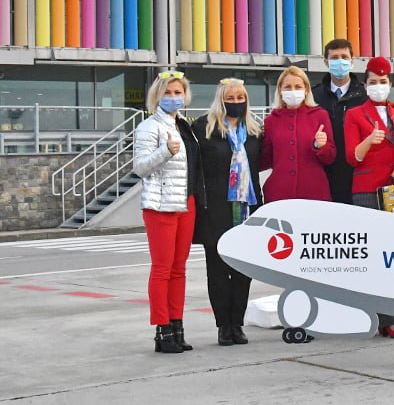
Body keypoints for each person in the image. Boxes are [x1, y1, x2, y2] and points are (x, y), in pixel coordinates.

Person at [133, 70, 204, 354]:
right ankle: (162, 330)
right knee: (162, 269)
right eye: (167, 93)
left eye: (178, 92)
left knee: (179, 269)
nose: (173, 97)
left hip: (186, 203)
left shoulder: (184, 125)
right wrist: (165, 151)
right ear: (157, 96)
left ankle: (177, 325)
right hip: (160, 205)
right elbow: (139, 168)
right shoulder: (149, 127)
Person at [344, 56, 394, 339]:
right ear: (365, 85)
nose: (379, 86)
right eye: (373, 82)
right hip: (366, 191)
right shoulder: (354, 115)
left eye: (383, 82)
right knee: (369, 258)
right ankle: (369, 316)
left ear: (390, 84)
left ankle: (391, 318)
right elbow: (351, 157)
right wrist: (366, 141)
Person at [192, 77, 264, 346]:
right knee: (218, 270)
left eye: (240, 98)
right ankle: (224, 325)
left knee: (243, 270)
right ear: (220, 99)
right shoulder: (204, 128)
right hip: (217, 209)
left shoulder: (255, 130)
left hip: (247, 209)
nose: (236, 102)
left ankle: (238, 323)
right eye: (230, 98)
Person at [261, 66, 337, 203]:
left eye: (298, 87)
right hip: (279, 194)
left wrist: (322, 146)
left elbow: (330, 157)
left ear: (306, 90)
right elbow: (265, 159)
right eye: (288, 87)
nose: (293, 91)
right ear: (280, 90)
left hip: (314, 193)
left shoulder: (320, 115)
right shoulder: (271, 121)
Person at [311, 38, 368, 205]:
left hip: (357, 175)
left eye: (344, 56)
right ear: (326, 62)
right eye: (334, 58)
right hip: (324, 174)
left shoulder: (365, 95)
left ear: (352, 61)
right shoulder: (314, 96)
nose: (339, 61)